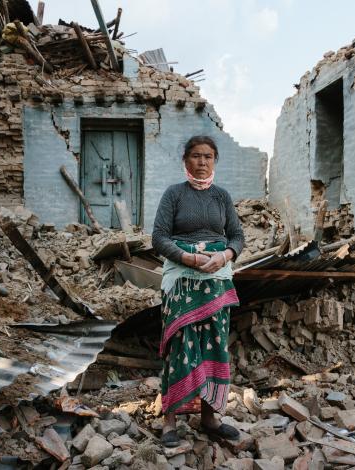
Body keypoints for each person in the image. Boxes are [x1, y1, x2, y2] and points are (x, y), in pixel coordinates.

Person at [152, 135, 244, 447]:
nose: (202, 162)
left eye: (207, 156)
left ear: (214, 161)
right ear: (185, 160)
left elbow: (237, 236)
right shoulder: (174, 194)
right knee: (180, 345)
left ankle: (209, 417)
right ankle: (170, 419)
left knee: (214, 346)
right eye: (195, 156)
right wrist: (188, 258)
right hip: (181, 280)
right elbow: (159, 238)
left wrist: (225, 255)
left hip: (216, 279)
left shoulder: (222, 197)